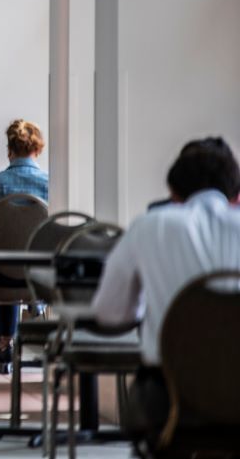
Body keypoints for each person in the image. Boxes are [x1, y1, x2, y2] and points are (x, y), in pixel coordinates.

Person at [90, 137, 240, 445]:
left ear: (174, 191)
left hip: (169, 401)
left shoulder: (150, 226)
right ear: (235, 192)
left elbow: (109, 313)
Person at [0, 119, 48, 370]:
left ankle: (4, 343)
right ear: (38, 149)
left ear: (9, 150)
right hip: (39, 280)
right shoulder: (52, 185)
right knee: (25, 258)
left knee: (4, 257)